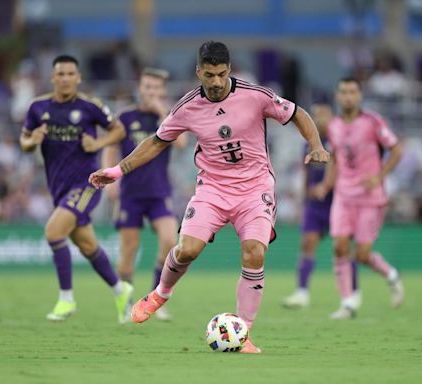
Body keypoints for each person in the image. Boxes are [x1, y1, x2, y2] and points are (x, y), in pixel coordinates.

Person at [89, 41, 330, 353]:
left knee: (255, 252)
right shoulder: (187, 107)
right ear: (198, 72)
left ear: (229, 70)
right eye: (209, 75)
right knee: (187, 250)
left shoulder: (255, 96)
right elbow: (156, 141)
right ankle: (161, 293)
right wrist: (118, 171)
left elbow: (298, 114)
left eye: (221, 74)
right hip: (212, 190)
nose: (215, 82)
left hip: (254, 189)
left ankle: (243, 333)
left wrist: (316, 144)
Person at [19, 55, 133, 322]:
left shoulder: (90, 107)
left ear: (78, 78)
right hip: (58, 186)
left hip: (87, 183)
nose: (66, 78)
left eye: (71, 74)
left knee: (53, 231)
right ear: (53, 78)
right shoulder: (38, 107)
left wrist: (98, 144)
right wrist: (31, 141)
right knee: (86, 244)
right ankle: (120, 290)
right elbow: (25, 141)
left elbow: (119, 130)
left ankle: (66, 299)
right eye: (61, 74)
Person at [313, 77, 405, 320]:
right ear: (337, 95)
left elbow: (396, 149)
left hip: (370, 197)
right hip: (343, 195)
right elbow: (335, 158)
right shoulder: (333, 126)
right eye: (343, 92)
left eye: (352, 92)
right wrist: (326, 184)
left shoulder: (372, 122)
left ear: (360, 96)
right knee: (339, 246)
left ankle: (391, 275)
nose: (348, 96)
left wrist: (380, 175)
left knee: (362, 255)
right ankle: (348, 303)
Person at [103, 68, 187, 322]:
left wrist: (163, 112)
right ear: (140, 88)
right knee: (129, 249)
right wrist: (109, 181)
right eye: (147, 87)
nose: (151, 92)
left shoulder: (169, 117)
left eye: (156, 89)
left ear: (162, 92)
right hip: (131, 194)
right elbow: (111, 146)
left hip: (159, 192)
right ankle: (125, 303)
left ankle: (155, 300)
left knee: (169, 241)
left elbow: (181, 145)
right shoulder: (125, 116)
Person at [282, 103, 360, 309]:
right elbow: (306, 172)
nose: (320, 119)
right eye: (316, 115)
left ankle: (353, 292)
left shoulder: (341, 140)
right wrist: (304, 196)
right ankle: (302, 292)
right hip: (314, 204)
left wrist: (326, 186)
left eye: (324, 115)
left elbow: (341, 168)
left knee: (344, 248)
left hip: (338, 202)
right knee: (307, 244)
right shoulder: (307, 144)